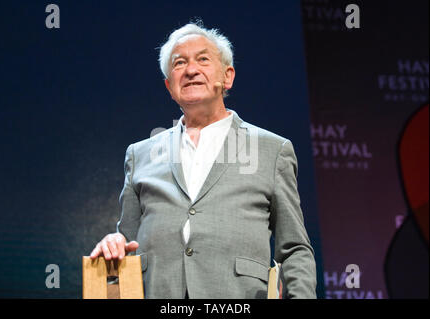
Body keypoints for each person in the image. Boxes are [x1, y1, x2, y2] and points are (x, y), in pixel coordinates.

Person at [90, 22, 317, 299]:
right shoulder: (140, 155)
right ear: (169, 87)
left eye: (203, 59)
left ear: (228, 76)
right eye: (179, 63)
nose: (191, 70)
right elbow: (128, 239)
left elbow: (294, 249)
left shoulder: (272, 150)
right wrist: (115, 243)